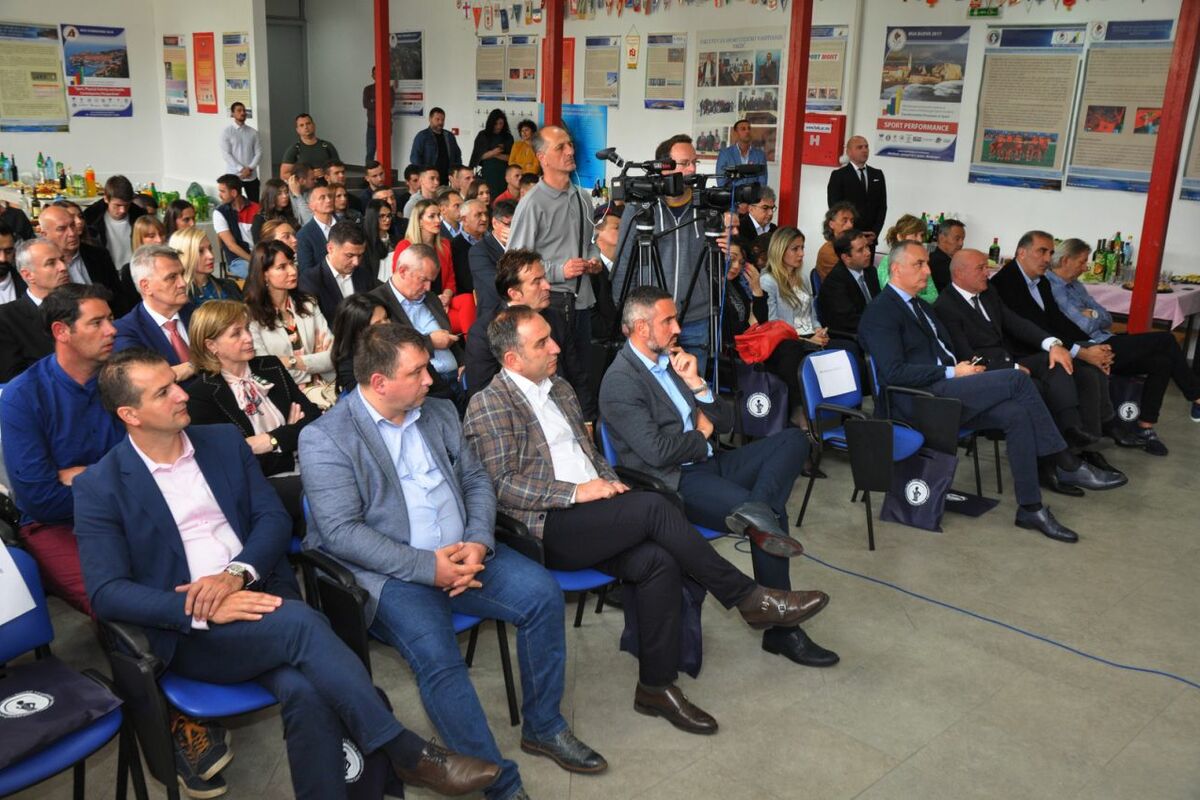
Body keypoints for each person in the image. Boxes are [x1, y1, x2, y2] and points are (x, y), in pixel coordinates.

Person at [75, 348, 501, 800]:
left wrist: (236, 575)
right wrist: (201, 606)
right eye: (163, 392)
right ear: (130, 414)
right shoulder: (100, 486)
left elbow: (273, 519)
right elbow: (106, 592)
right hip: (193, 633)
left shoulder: (221, 440)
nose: (182, 394)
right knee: (303, 625)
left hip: (263, 598)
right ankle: (404, 751)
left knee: (307, 691)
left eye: (174, 382)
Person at [465, 305, 831, 732]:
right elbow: (500, 485)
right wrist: (576, 492)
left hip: (596, 511)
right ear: (512, 359)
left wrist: (608, 483)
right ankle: (748, 597)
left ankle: (656, 687)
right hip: (549, 525)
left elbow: (590, 456)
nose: (556, 347)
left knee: (658, 561)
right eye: (542, 342)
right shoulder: (489, 404)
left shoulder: (559, 388)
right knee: (656, 505)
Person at [299, 323, 605, 800]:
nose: (431, 379)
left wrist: (478, 541)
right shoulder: (327, 438)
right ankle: (500, 784)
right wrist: (428, 568)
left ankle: (544, 726)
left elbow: (477, 481)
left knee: (542, 595)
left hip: (466, 553)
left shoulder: (437, 412)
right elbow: (340, 532)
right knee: (439, 658)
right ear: (380, 382)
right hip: (394, 575)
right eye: (417, 372)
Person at [1, 287, 239, 794]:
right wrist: (104, 486)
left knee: (185, 558)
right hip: (57, 525)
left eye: (111, 319)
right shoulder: (24, 396)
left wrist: (85, 477)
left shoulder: (120, 379)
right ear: (62, 333)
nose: (113, 330)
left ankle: (216, 661)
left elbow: (155, 459)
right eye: (98, 323)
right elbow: (41, 496)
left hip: (136, 504)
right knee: (113, 594)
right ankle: (170, 720)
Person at [600, 287, 838, 667]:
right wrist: (700, 435)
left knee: (794, 440)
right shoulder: (621, 381)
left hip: (711, 463)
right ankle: (783, 632)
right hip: (675, 481)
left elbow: (726, 422)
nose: (678, 328)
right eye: (668, 321)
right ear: (642, 328)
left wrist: (697, 384)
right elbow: (657, 452)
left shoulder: (672, 363)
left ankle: (758, 509)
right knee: (771, 518)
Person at [858, 241, 1118, 544]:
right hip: (918, 401)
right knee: (1017, 380)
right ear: (896, 269)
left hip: (946, 390)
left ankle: (1031, 508)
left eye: (927, 263)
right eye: (919, 264)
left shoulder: (920, 305)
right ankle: (1065, 461)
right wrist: (952, 372)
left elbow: (947, 350)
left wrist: (965, 369)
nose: (928, 271)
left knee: (1017, 414)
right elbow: (892, 373)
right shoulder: (881, 312)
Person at [933, 248, 1125, 492]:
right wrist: (1011, 368)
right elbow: (965, 356)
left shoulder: (988, 292)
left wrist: (1052, 344)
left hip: (1009, 359)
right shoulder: (946, 306)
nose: (987, 273)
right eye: (980, 268)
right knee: (1035, 388)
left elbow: (1016, 323)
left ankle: (1071, 431)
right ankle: (1059, 463)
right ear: (959, 274)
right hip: (987, 372)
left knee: (1055, 361)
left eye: (986, 267)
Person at [1047, 237, 1200, 452]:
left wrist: (1092, 314)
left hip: (1106, 339)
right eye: (1082, 262)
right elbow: (1082, 327)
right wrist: (1092, 316)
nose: (1085, 267)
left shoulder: (1076, 285)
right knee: (1166, 339)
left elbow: (1106, 317)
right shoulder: (1053, 287)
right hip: (1090, 347)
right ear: (1065, 260)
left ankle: (1145, 426)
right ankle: (1196, 396)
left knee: (1162, 362)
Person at [185, 300, 320, 527]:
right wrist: (290, 434)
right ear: (211, 345)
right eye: (236, 334)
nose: (248, 338)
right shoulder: (201, 394)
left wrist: (270, 440)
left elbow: (314, 420)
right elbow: (232, 462)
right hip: (259, 487)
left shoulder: (270, 366)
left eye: (247, 329)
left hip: (307, 464)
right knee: (323, 493)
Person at [989, 232, 1127, 449]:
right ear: (1021, 253)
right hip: (1023, 350)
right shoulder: (1005, 282)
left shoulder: (1041, 281)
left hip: (1046, 343)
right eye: (1042, 251)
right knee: (1080, 368)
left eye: (1051, 252)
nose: (1048, 259)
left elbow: (1058, 321)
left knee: (1093, 366)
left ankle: (1093, 437)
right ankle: (1077, 434)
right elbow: (1031, 329)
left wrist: (1091, 344)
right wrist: (1082, 352)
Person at [508, 126, 606, 383]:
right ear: (542, 157)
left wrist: (594, 260)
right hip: (550, 304)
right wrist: (559, 270)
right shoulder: (532, 203)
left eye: (570, 144)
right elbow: (515, 264)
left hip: (582, 302)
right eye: (561, 147)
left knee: (583, 377)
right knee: (554, 379)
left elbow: (590, 243)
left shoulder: (582, 197)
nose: (570, 151)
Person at [463, 249, 593, 417]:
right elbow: (483, 398)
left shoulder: (555, 319)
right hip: (517, 419)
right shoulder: (483, 333)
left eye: (544, 278)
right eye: (537, 282)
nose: (547, 286)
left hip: (563, 409)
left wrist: (587, 420)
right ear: (514, 293)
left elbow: (577, 377)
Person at [244, 240, 336, 408]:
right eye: (282, 267)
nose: (293, 271)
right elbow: (266, 371)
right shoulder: (250, 316)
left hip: (326, 389)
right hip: (284, 399)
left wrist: (291, 362)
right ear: (263, 274)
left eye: (292, 263)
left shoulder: (308, 303)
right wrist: (314, 361)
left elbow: (333, 357)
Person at [370, 244, 463, 405]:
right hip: (425, 390)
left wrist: (463, 363)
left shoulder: (431, 298)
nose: (428, 287)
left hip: (457, 378)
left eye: (431, 281)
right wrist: (430, 342)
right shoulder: (377, 304)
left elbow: (450, 338)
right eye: (423, 280)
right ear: (403, 271)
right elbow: (386, 350)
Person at [114, 245, 196, 385]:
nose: (183, 283)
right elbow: (144, 380)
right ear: (146, 287)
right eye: (172, 277)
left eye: (182, 274)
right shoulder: (125, 330)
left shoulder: (198, 313)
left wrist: (192, 366)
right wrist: (197, 364)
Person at [0, 239, 62, 381]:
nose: (63, 267)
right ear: (28, 275)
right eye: (51, 263)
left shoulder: (82, 303)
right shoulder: (6, 318)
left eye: (62, 260)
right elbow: (13, 379)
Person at [760, 227, 831, 349]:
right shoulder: (768, 281)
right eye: (795, 249)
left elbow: (812, 316)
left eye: (802, 248)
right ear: (780, 250)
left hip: (810, 336)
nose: (801, 254)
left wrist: (819, 330)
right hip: (789, 342)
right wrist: (807, 341)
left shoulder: (802, 278)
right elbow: (773, 325)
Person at [38, 205, 122, 305]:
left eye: (73, 225)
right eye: (61, 229)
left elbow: (118, 296)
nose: (72, 233)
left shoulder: (98, 255)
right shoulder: (38, 264)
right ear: (44, 235)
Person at [298, 219, 378, 322]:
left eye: (360, 255)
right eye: (350, 255)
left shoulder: (364, 274)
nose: (356, 262)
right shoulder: (310, 281)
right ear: (330, 248)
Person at [818, 229, 882, 335]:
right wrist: (880, 324)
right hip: (852, 334)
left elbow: (879, 303)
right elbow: (848, 321)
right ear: (846, 257)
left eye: (867, 246)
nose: (868, 253)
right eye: (860, 250)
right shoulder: (835, 282)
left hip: (874, 327)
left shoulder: (870, 271)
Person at [395, 199, 455, 309]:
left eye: (439, 215)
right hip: (414, 304)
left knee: (466, 300)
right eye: (432, 216)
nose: (438, 220)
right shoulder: (405, 246)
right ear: (419, 221)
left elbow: (450, 279)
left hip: (442, 304)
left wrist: (446, 296)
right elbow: (400, 282)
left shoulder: (445, 244)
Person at [826, 135, 887, 244]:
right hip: (847, 238)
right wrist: (850, 234)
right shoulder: (839, 175)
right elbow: (835, 208)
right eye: (859, 147)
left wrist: (874, 233)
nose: (864, 150)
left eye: (866, 147)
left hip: (870, 237)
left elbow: (882, 207)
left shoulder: (877, 174)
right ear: (849, 152)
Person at [82, 175, 147, 270]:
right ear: (106, 199)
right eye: (117, 205)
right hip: (105, 271)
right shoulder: (90, 218)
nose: (123, 210)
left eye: (127, 205)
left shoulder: (140, 215)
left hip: (136, 269)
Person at [330, 292, 388, 394]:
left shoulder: (397, 340)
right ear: (358, 330)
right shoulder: (348, 367)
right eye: (377, 324)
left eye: (386, 318)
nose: (387, 325)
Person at [469, 198, 514, 321]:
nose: (513, 229)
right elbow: (497, 284)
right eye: (508, 224)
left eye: (516, 225)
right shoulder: (478, 251)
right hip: (495, 314)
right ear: (495, 223)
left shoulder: (524, 245)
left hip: (524, 307)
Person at [172, 226, 242, 306]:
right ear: (185, 256)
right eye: (200, 251)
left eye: (210, 248)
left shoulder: (230, 286)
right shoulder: (180, 298)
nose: (211, 256)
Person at [875, 214, 936, 302]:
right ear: (900, 237)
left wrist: (911, 295)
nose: (920, 240)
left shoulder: (922, 262)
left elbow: (934, 296)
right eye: (915, 235)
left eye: (921, 235)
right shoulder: (887, 261)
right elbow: (895, 295)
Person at [115, 215, 168, 312]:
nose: (159, 240)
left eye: (161, 234)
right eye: (151, 236)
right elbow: (130, 305)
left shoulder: (173, 263)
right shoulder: (128, 271)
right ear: (140, 239)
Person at [213, 174, 260, 279]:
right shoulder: (219, 213)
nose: (219, 195)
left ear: (234, 193)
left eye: (223, 191)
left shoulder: (257, 208)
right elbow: (231, 246)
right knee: (256, 275)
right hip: (238, 259)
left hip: (259, 254)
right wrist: (254, 261)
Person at [220, 101, 262, 202]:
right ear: (232, 113)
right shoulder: (227, 132)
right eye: (239, 110)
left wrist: (249, 169)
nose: (242, 113)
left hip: (251, 175)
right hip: (233, 175)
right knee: (233, 203)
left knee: (254, 203)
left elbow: (259, 152)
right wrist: (241, 169)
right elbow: (226, 154)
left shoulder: (253, 132)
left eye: (244, 110)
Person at [409, 107, 462, 185]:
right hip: (429, 179)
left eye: (443, 120)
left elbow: (457, 154)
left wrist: (457, 172)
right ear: (430, 119)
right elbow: (415, 158)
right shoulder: (422, 136)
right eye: (437, 119)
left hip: (446, 178)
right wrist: (424, 174)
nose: (440, 122)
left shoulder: (449, 136)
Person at [280, 113, 341, 180]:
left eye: (308, 123)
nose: (306, 127)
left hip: (326, 185)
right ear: (297, 130)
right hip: (304, 186)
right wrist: (308, 175)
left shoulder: (327, 146)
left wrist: (324, 172)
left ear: (314, 126)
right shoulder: (294, 149)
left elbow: (339, 168)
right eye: (301, 125)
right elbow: (284, 175)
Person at [469, 110, 514, 199]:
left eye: (501, 123)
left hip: (503, 173)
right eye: (496, 124)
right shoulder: (483, 135)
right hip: (487, 173)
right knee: (487, 195)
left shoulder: (508, 137)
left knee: (503, 197)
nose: (498, 126)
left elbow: (511, 158)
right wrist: (494, 152)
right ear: (491, 123)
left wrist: (495, 154)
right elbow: (478, 156)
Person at [294, 184, 337, 274]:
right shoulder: (304, 235)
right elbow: (306, 271)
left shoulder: (347, 225)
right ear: (311, 206)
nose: (328, 200)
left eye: (330, 196)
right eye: (322, 198)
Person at [715, 119, 768, 187]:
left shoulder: (760, 155)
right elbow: (721, 182)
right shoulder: (725, 154)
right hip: (732, 193)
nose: (747, 131)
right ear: (735, 133)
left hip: (754, 194)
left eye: (749, 128)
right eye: (743, 129)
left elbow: (763, 183)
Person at [814, 201, 857, 281]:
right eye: (845, 221)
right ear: (831, 224)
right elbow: (849, 278)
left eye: (852, 221)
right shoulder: (827, 251)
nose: (850, 225)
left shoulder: (847, 246)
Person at [362, 66, 395, 163]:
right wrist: (381, 102)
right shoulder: (368, 89)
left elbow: (390, 104)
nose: (377, 76)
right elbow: (366, 104)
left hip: (385, 126)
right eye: (375, 74)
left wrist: (374, 101)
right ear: (372, 76)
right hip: (372, 126)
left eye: (379, 73)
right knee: (370, 151)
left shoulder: (389, 89)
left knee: (385, 151)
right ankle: (369, 171)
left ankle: (383, 171)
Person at [251, 178, 299, 244]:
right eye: (279, 193)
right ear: (271, 196)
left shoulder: (291, 212)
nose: (285, 196)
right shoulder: (260, 219)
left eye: (286, 192)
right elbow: (258, 245)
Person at [929, 218, 965, 293]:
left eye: (963, 239)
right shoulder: (938, 262)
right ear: (942, 238)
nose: (961, 244)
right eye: (957, 239)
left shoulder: (952, 260)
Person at [736, 186, 777, 251]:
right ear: (751, 209)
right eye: (765, 208)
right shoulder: (738, 229)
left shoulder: (775, 230)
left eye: (772, 208)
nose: (770, 213)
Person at [364, 199, 397, 276]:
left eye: (389, 215)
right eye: (382, 216)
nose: (387, 220)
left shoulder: (397, 240)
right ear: (373, 217)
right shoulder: (365, 244)